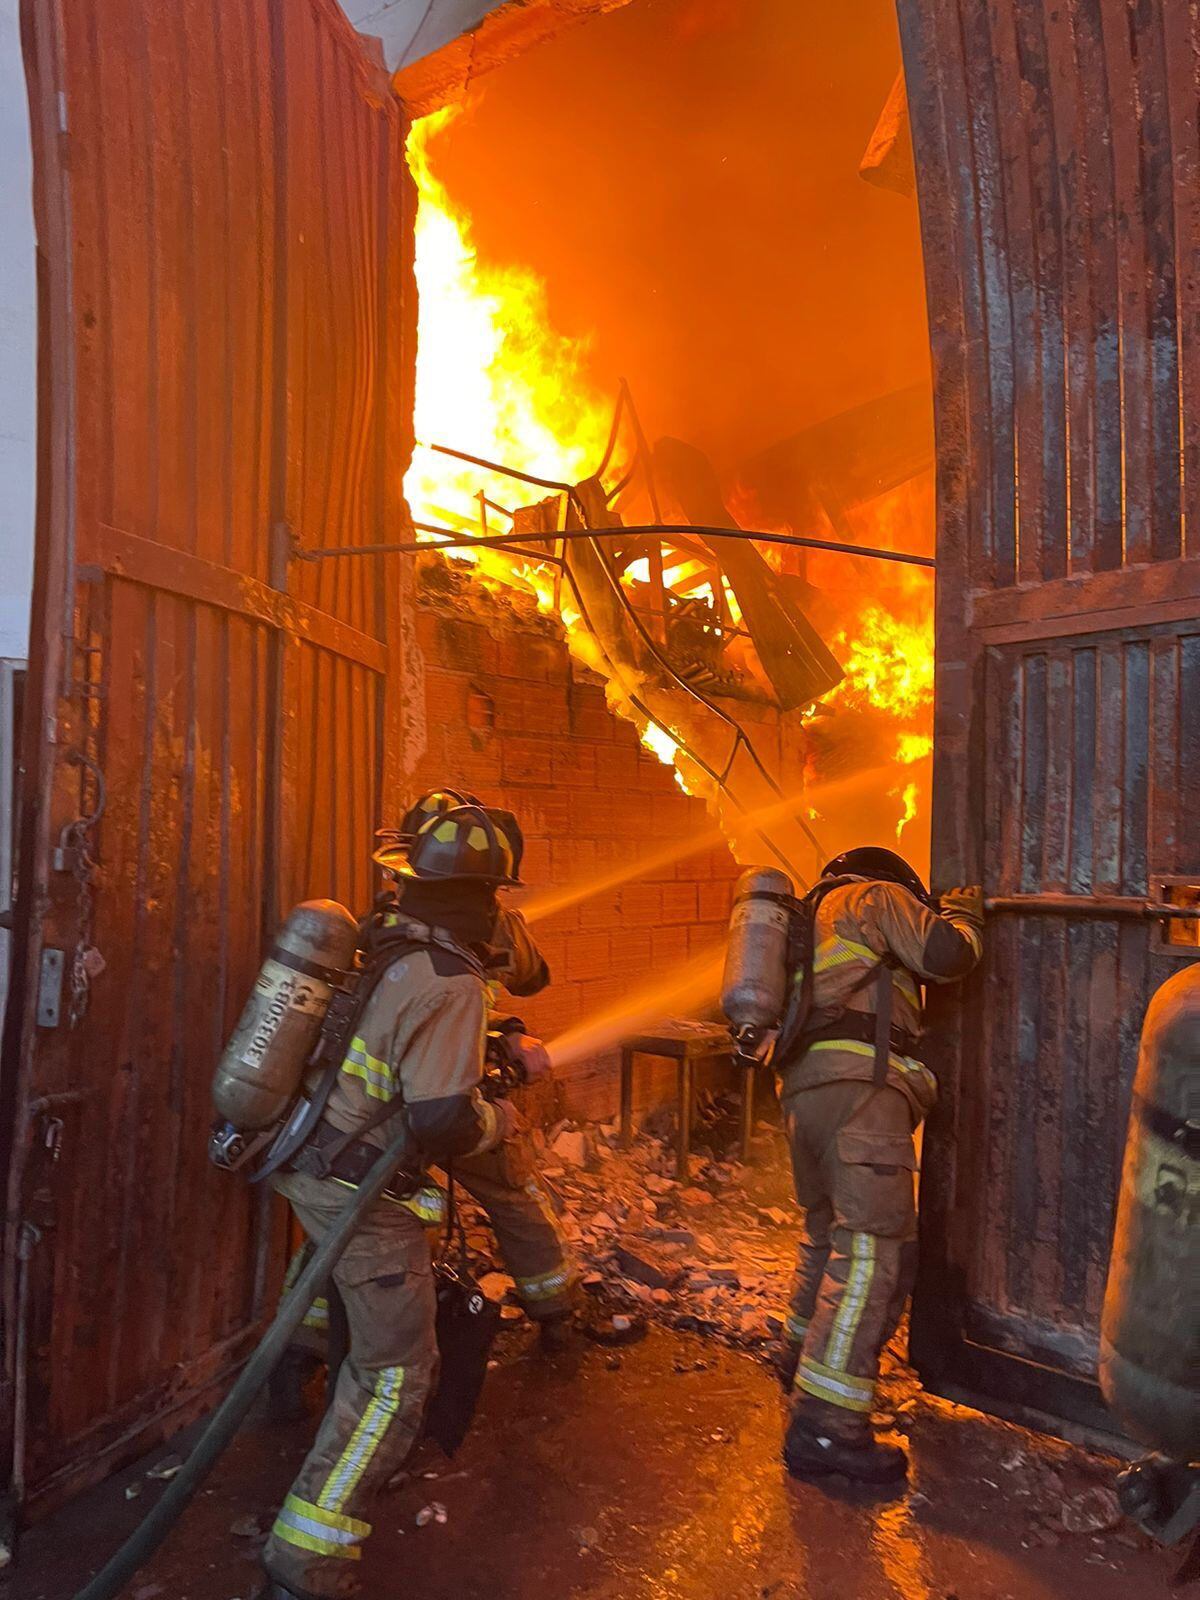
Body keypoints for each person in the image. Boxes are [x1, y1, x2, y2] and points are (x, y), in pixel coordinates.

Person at [257, 802, 535, 1600]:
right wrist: (505, 1113)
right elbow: (442, 1119)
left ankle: (284, 1381)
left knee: (330, 1281)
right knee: (393, 1377)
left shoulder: (387, 944)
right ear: (486, 895)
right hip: (358, 1185)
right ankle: (305, 1561)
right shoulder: (453, 982)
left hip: (310, 1159)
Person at [774, 847, 983, 1485]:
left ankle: (798, 1357)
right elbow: (946, 956)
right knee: (870, 1250)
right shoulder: (874, 898)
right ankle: (825, 1427)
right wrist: (964, 916)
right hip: (861, 1087)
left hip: (805, 1093)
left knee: (825, 1237)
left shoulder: (806, 920)